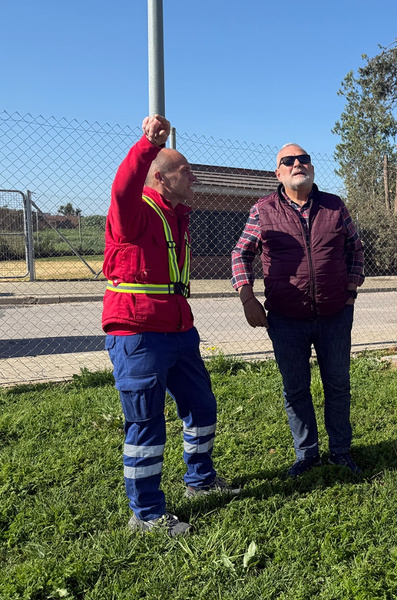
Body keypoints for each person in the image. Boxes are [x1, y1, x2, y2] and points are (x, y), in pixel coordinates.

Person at [103, 114, 239, 537]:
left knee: (202, 406)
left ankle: (200, 480)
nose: (194, 177)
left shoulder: (177, 215)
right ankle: (146, 514)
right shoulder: (135, 210)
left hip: (179, 330)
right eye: (185, 170)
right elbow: (123, 187)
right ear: (160, 177)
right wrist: (148, 146)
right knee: (146, 423)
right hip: (138, 332)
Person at [231, 144, 365, 477]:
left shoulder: (335, 206)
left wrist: (350, 293)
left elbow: (356, 250)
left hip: (335, 315)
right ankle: (307, 455)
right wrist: (247, 297)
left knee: (338, 386)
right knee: (295, 388)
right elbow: (240, 254)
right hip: (286, 319)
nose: (297, 164)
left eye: (303, 159)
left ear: (312, 168)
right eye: (288, 161)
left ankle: (340, 452)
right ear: (278, 173)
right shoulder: (263, 210)